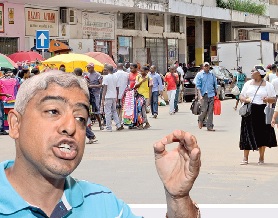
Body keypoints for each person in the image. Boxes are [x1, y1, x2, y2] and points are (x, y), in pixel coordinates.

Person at [1, 71, 201, 217]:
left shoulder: (106, 206)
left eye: (80, 118)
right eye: (53, 111)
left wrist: (178, 198)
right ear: (15, 124)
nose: (71, 127)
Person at [239, 66, 277, 165]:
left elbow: (274, 99)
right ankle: (245, 157)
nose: (251, 72)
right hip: (248, 112)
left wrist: (267, 99)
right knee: (246, 133)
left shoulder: (268, 85)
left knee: (261, 134)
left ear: (259, 73)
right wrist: (245, 100)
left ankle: (261, 157)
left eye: (253, 71)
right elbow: (241, 95)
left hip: (262, 111)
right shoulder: (248, 84)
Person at [73, 68, 98, 144]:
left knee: (78, 120)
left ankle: (91, 136)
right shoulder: (84, 80)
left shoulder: (78, 81)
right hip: (84, 101)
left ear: (76, 73)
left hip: (79, 102)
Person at [196, 62, 218, 131]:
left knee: (210, 111)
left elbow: (215, 84)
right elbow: (198, 86)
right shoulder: (200, 75)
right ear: (203, 67)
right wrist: (199, 95)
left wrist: (216, 93)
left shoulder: (212, 74)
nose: (206, 67)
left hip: (211, 94)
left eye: (207, 66)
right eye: (205, 66)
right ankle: (200, 119)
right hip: (204, 94)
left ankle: (210, 126)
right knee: (204, 110)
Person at [101, 65, 123, 132]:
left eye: (105, 70)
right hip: (114, 96)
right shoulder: (115, 76)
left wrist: (102, 98)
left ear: (107, 70)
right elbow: (117, 88)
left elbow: (105, 88)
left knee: (108, 112)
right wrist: (116, 96)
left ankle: (108, 127)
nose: (104, 71)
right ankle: (118, 124)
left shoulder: (106, 77)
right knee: (114, 111)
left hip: (108, 96)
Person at [85, 63, 103, 130]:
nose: (88, 69)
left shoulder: (98, 75)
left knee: (96, 110)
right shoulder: (87, 75)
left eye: (89, 68)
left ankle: (100, 124)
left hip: (96, 94)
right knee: (88, 110)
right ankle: (89, 125)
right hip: (89, 94)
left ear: (92, 68)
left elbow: (101, 85)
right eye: (87, 68)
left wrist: (92, 86)